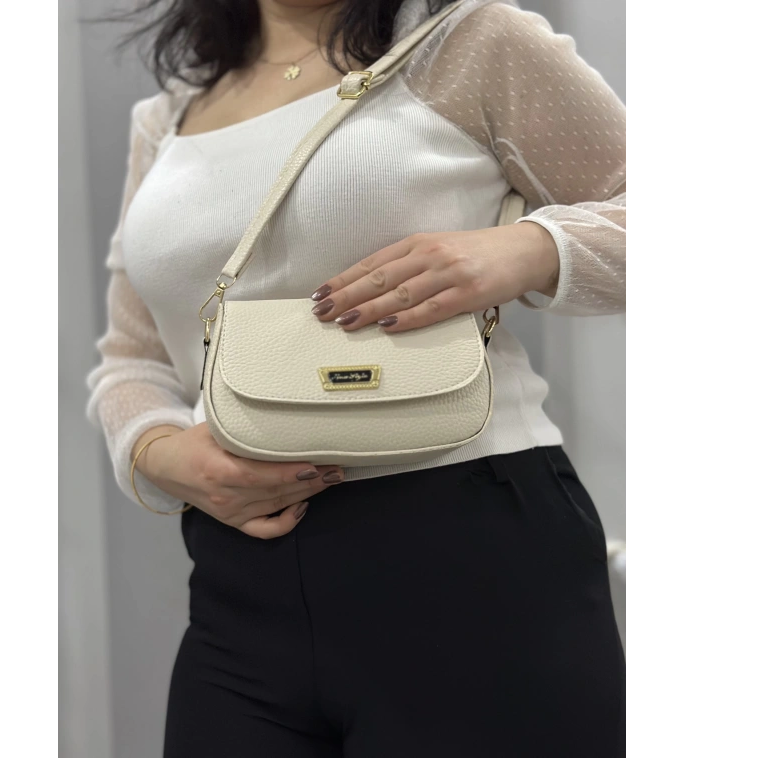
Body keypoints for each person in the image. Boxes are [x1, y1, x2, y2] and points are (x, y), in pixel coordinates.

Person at [86, 0, 628, 755]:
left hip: (469, 548)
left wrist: (527, 249)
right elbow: (132, 356)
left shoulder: (467, 40)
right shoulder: (169, 116)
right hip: (239, 580)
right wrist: (159, 452)